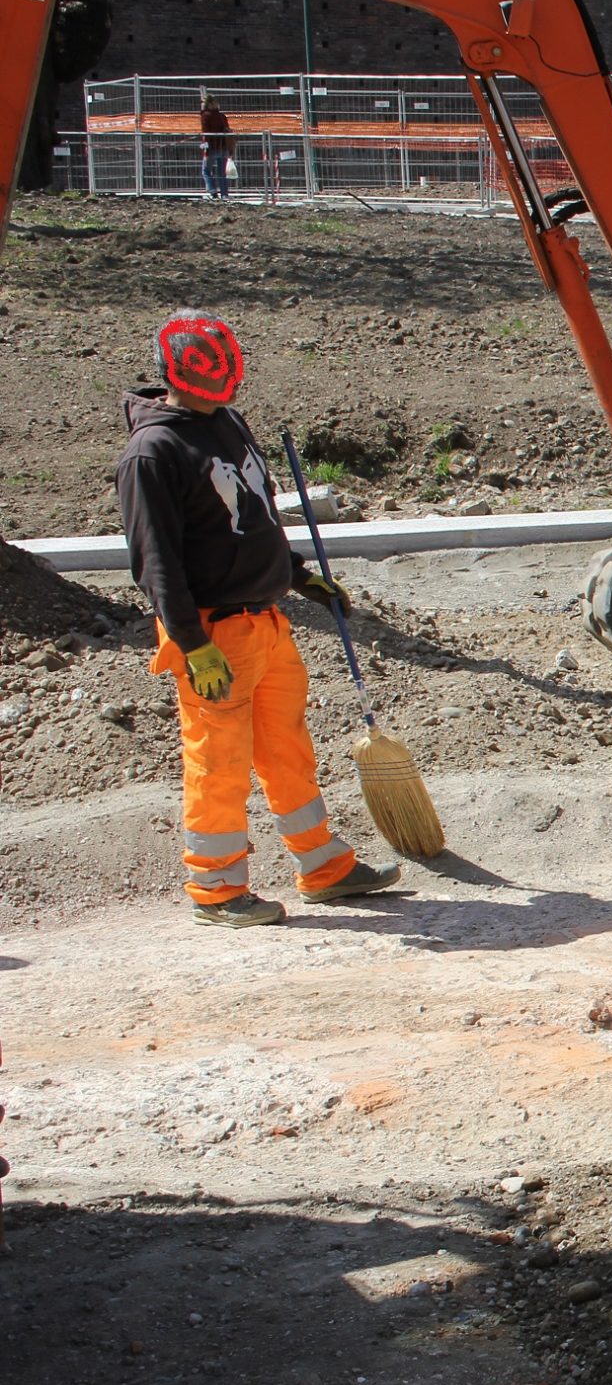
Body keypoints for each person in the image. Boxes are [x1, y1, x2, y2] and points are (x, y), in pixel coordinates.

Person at [117, 314, 404, 927]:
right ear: (176, 374)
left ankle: (323, 868)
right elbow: (155, 561)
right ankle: (217, 890)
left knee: (287, 750)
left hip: (265, 622)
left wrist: (297, 573)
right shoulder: (153, 452)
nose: (213, 396)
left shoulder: (225, 423)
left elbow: (250, 519)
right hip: (212, 633)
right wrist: (192, 644)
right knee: (217, 759)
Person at [198, 94, 233, 199]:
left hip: (211, 147)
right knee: (222, 173)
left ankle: (212, 190)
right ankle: (224, 194)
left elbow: (205, 132)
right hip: (223, 146)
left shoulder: (205, 116)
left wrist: (205, 145)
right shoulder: (222, 116)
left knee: (206, 170)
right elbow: (227, 129)